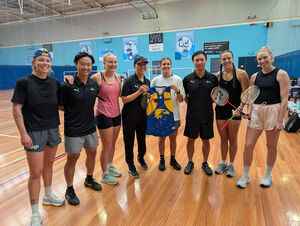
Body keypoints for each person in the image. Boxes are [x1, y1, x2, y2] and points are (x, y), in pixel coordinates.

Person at [11, 49, 65, 226]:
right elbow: (17, 109)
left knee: (49, 164)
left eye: (47, 61)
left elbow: (61, 106)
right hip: (33, 132)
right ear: (33, 63)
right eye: (41, 60)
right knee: (35, 173)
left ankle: (48, 195)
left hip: (52, 129)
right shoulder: (24, 83)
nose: (45, 64)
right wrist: (23, 134)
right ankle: (34, 212)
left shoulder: (54, 82)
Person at [236, 46, 289, 188]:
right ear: (257, 62)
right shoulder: (254, 77)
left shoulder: (281, 74)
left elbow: (284, 99)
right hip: (257, 111)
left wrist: (280, 121)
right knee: (248, 145)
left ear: (271, 57)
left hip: (273, 111)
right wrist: (249, 111)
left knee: (271, 146)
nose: (263, 60)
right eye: (260, 59)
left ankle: (267, 175)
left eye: (265, 57)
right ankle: (246, 175)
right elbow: (252, 97)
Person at [60, 52, 101, 206]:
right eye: (82, 64)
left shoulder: (93, 84)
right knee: (72, 158)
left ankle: (89, 179)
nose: (86, 67)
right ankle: (69, 189)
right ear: (76, 64)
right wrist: (74, 113)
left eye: (89, 64)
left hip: (90, 127)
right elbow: (60, 105)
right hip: (73, 129)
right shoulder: (67, 85)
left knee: (92, 153)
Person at [182, 51, 218, 176]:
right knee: (190, 140)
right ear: (193, 62)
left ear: (206, 60)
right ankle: (190, 162)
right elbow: (185, 97)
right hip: (192, 116)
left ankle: (205, 162)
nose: (199, 62)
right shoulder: (187, 79)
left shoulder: (213, 78)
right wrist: (193, 105)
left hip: (207, 116)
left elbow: (216, 96)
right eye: (197, 60)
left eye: (201, 60)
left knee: (206, 141)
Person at [214, 50, 249, 177]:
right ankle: (223, 163)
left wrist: (240, 109)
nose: (226, 61)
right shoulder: (218, 75)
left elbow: (246, 94)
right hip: (220, 111)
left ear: (233, 58)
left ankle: (231, 165)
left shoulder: (241, 74)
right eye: (224, 59)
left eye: (229, 58)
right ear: (221, 61)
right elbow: (216, 94)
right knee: (223, 139)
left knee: (233, 139)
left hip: (235, 112)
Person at [91, 53, 122, 185]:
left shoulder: (118, 76)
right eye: (110, 62)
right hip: (103, 115)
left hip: (116, 114)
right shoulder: (97, 77)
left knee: (113, 143)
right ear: (104, 63)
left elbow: (119, 95)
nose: (113, 64)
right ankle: (104, 174)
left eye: (115, 62)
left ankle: (110, 165)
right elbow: (86, 90)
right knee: (107, 145)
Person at [150, 57, 185, 171]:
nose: (166, 66)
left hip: (174, 115)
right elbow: (152, 100)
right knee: (161, 139)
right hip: (160, 116)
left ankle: (173, 159)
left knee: (173, 138)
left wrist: (177, 90)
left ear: (171, 66)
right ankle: (161, 159)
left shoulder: (178, 80)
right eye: (164, 64)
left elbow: (180, 100)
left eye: (168, 64)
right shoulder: (155, 80)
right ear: (160, 66)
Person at [121, 56, 150, 178]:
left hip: (142, 115)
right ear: (134, 66)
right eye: (139, 65)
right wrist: (139, 92)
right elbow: (125, 100)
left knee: (142, 140)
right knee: (129, 141)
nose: (142, 67)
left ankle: (141, 157)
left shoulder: (147, 81)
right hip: (129, 116)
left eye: (144, 65)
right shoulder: (129, 81)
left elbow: (146, 98)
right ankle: (130, 164)